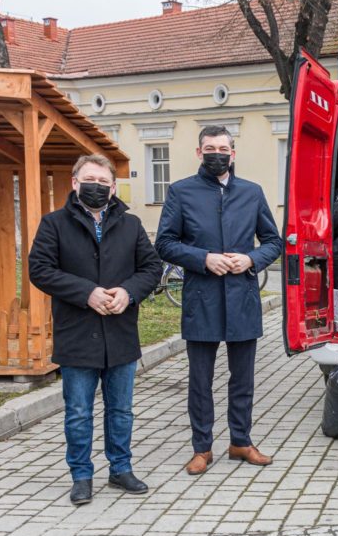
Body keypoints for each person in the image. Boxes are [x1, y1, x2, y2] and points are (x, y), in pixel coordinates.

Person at [29, 154, 162, 505]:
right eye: (90, 180)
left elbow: (151, 268)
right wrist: (86, 292)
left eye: (104, 182)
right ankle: (81, 475)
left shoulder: (131, 224)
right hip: (77, 333)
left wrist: (128, 292)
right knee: (78, 412)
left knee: (121, 410)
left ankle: (120, 468)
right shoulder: (54, 224)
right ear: (75, 182)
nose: (97, 187)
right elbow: (40, 269)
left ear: (113, 187)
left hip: (120, 333)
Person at [155, 125, 283, 475]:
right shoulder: (181, 192)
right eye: (210, 148)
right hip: (203, 299)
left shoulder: (252, 193)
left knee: (243, 379)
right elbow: (164, 243)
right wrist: (204, 258)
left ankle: (241, 441)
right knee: (200, 381)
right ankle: (202, 448)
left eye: (223, 149)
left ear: (233, 153)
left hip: (242, 297)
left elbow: (274, 241)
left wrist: (251, 259)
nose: (217, 154)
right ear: (199, 153)